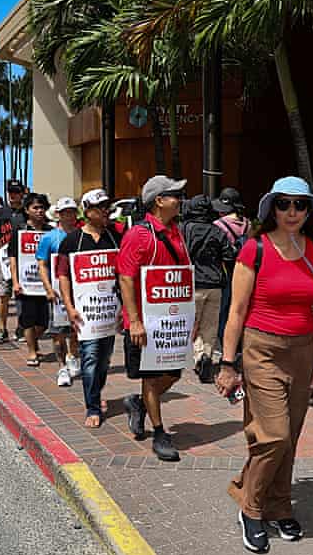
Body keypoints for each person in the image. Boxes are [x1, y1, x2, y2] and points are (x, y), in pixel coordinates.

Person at [216, 177, 313, 554]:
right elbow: (235, 311)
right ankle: (250, 507)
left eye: (300, 205)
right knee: (273, 434)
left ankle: (280, 505)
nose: (293, 212)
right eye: (284, 204)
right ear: (272, 209)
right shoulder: (255, 249)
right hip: (261, 349)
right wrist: (227, 363)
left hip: (303, 352)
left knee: (291, 436)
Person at [118, 175, 190, 461]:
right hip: (146, 322)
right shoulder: (139, 234)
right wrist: (134, 321)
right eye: (175, 195)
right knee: (149, 375)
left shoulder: (177, 232)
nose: (180, 200)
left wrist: (188, 317)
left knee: (173, 374)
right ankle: (159, 432)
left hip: (171, 321)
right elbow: (125, 278)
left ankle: (139, 404)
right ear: (159, 201)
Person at [59, 189, 123, 428]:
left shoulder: (115, 237)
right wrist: (69, 306)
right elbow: (63, 274)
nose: (106, 210)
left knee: (104, 360)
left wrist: (123, 308)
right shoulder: (72, 240)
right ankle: (92, 407)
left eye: (108, 205)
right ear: (87, 211)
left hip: (109, 313)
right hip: (86, 314)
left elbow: (124, 275)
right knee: (90, 358)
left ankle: (96, 392)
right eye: (101, 206)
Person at [182, 194, 237, 384]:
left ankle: (199, 357)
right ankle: (205, 356)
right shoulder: (217, 231)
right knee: (210, 326)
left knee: (192, 324)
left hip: (191, 285)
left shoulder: (184, 230)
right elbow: (229, 256)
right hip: (215, 284)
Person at [39, 196, 82, 387]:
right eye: (65, 212)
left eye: (72, 211)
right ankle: (62, 367)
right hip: (57, 292)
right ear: (58, 214)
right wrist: (48, 288)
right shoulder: (49, 237)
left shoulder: (82, 234)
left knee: (76, 330)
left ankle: (72, 356)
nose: (69, 215)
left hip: (79, 291)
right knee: (58, 334)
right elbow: (42, 264)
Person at [11, 193, 54, 366]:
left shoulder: (51, 231)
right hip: (26, 284)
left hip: (46, 285)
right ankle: (31, 352)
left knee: (43, 322)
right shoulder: (20, 231)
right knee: (28, 318)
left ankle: (32, 342)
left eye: (42, 207)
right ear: (27, 210)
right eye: (35, 207)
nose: (39, 211)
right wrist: (15, 281)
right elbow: (13, 257)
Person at [212, 187, 250, 362]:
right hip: (246, 272)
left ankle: (228, 349)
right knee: (242, 308)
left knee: (226, 311)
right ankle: (241, 346)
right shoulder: (248, 224)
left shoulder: (219, 225)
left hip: (226, 272)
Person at [0, 181, 28, 343]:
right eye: (10, 192)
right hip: (4, 261)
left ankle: (22, 328)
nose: (13, 195)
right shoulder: (0, 213)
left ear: (22, 193)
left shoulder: (27, 212)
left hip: (24, 261)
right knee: (3, 296)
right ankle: (2, 329)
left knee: (24, 297)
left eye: (16, 192)